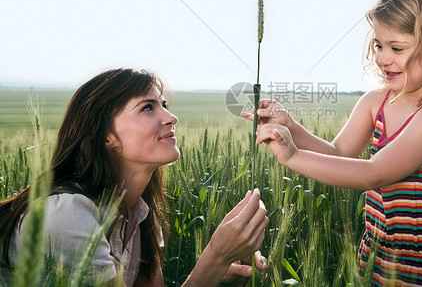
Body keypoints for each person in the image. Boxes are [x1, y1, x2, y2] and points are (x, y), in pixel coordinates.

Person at [246, 0, 422, 286]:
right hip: (375, 269)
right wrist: (290, 127)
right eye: (378, 45)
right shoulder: (376, 102)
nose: (383, 58)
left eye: (397, 48)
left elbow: (375, 173)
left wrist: (292, 156)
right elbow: (338, 153)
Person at [0, 68, 268, 286]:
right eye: (147, 108)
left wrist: (216, 277)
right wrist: (216, 255)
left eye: (164, 104)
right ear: (106, 136)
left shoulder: (140, 215)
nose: (172, 117)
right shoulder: (67, 214)